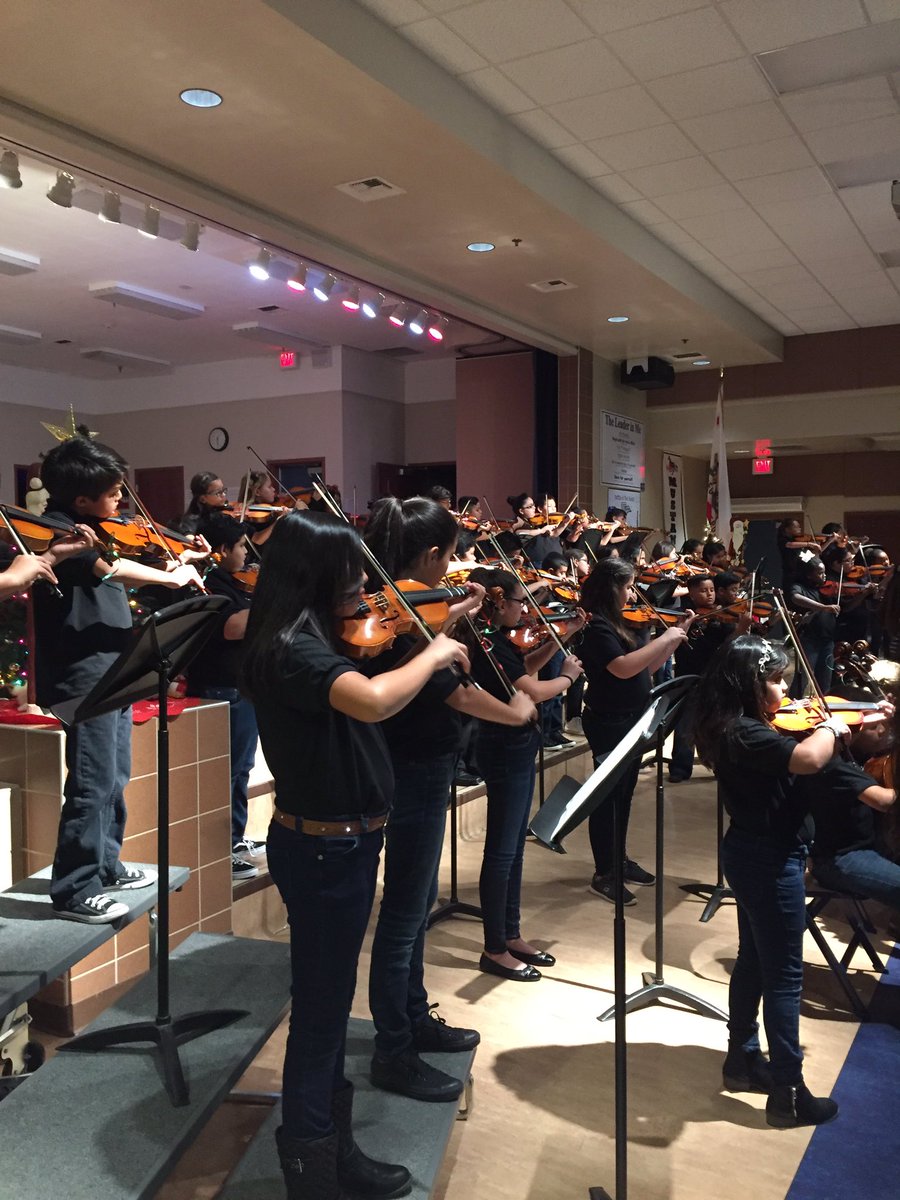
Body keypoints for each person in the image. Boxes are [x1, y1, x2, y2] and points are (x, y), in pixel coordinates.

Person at [242, 509, 470, 1200]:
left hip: (338, 846)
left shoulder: (312, 634)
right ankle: (311, 1168)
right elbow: (371, 702)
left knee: (329, 1005)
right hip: (323, 853)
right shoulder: (293, 648)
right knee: (319, 1011)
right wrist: (432, 652)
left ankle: (332, 1148)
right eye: (350, 578)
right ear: (315, 577)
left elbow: (366, 666)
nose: (362, 592)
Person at [363, 497, 537, 1100]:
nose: (456, 566)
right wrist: (514, 714)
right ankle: (394, 1047)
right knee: (406, 913)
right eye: (452, 555)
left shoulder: (402, 606)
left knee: (411, 909)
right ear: (432, 553)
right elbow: (453, 692)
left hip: (420, 767)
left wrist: (451, 616)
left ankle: (412, 1016)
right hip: (413, 769)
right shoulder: (401, 614)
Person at [33, 435, 204, 923]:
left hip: (112, 667)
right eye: (112, 493)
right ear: (81, 498)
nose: (121, 501)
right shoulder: (59, 531)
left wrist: (178, 559)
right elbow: (110, 571)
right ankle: (73, 887)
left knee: (116, 775)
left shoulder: (95, 524)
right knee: (92, 781)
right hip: (81, 675)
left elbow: (131, 555)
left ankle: (106, 864)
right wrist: (170, 578)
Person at [693, 635, 848, 1128]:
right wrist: (833, 728)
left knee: (756, 962)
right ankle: (788, 1091)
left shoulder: (740, 725)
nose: (786, 689)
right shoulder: (745, 732)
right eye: (777, 679)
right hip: (768, 857)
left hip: (752, 852)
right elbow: (808, 760)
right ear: (749, 685)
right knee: (784, 976)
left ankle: (740, 1058)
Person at [460, 567, 583, 981]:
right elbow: (531, 690)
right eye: (518, 602)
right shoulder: (485, 639)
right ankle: (494, 947)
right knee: (501, 851)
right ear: (497, 601)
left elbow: (523, 668)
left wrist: (557, 641)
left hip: (517, 746)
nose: (524, 609)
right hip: (504, 748)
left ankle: (510, 935)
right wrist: (567, 677)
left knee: (513, 846)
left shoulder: (498, 640)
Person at [579, 557, 692, 903]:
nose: (632, 594)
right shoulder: (596, 626)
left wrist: (673, 640)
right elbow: (623, 669)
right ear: (611, 587)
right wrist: (663, 638)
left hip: (629, 716)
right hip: (608, 721)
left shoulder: (618, 623)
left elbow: (645, 669)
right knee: (608, 798)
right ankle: (604, 871)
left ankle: (618, 859)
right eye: (628, 587)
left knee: (624, 796)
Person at [185, 513, 262, 883]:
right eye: (242, 546)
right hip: (221, 688)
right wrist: (272, 602)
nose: (247, 553)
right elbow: (232, 627)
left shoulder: (234, 581)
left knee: (240, 769)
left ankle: (235, 838)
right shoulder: (209, 583)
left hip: (240, 687)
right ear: (222, 550)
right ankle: (223, 849)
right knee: (227, 771)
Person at [788, 556, 840, 697]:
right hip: (809, 639)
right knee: (802, 678)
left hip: (828, 640)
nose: (824, 576)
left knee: (825, 680)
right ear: (809, 574)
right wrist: (823, 607)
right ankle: (793, 704)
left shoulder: (828, 589)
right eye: (819, 573)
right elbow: (796, 598)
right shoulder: (799, 587)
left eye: (824, 572)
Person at [176, 471, 230, 535]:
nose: (223, 495)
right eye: (218, 493)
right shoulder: (191, 522)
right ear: (203, 499)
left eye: (223, 490)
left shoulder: (223, 515)